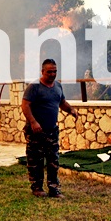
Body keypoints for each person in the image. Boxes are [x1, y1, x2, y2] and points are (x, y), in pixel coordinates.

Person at [21, 58, 78, 198]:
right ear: (42, 72)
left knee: (53, 161)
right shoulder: (34, 87)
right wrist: (33, 122)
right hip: (35, 131)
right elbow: (25, 105)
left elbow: (62, 102)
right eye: (49, 72)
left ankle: (54, 189)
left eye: (55, 71)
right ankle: (37, 188)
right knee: (36, 161)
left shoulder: (58, 86)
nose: (52, 74)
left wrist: (71, 110)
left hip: (51, 131)